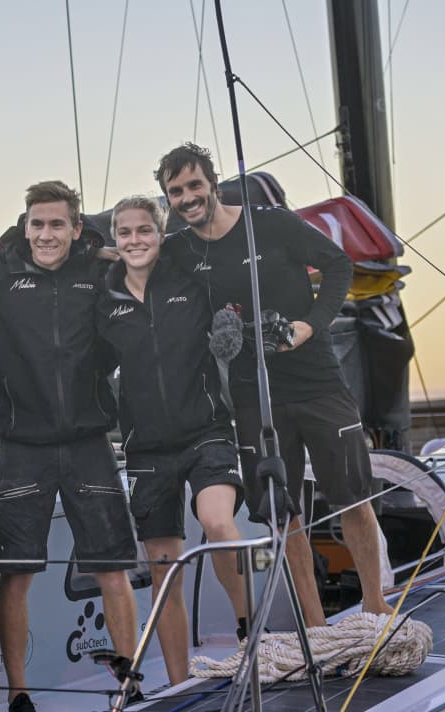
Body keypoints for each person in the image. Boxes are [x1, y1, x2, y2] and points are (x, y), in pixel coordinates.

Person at [155, 143, 393, 627]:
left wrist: (311, 326)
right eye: (175, 191)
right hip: (253, 397)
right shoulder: (179, 250)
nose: (187, 197)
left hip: (319, 382)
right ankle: (315, 624)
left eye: (194, 185)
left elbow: (338, 265)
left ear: (213, 183)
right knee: (283, 514)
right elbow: (129, 252)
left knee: (352, 496)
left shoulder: (273, 224)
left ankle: (374, 603)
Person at [0, 181, 138, 712]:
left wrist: (103, 250)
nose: (46, 234)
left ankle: (129, 684)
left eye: (57, 224)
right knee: (16, 573)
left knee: (111, 569)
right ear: (25, 227)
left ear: (76, 228)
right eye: (37, 224)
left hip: (90, 442)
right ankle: (18, 692)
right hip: (23, 445)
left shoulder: (98, 273)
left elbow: (143, 268)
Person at [96, 195, 248, 685]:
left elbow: (231, 295)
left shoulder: (189, 279)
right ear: (114, 240)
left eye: (144, 230)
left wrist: (232, 321)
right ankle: (180, 686)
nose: (135, 240)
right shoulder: (105, 299)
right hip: (145, 447)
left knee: (217, 522)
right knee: (165, 572)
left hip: (206, 431)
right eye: (125, 232)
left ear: (161, 235)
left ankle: (250, 634)